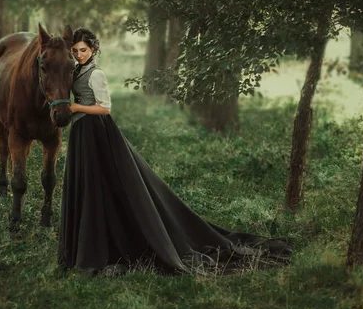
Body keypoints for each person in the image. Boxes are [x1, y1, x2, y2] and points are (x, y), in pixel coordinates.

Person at [57, 28, 292, 278]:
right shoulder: (77, 70)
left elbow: (105, 108)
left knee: (101, 185)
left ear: (93, 50)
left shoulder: (97, 74)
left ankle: (103, 248)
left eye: (84, 50)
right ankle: (83, 247)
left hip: (97, 132)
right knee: (87, 185)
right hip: (81, 132)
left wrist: (75, 106)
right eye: (75, 51)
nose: (79, 54)